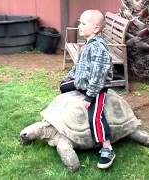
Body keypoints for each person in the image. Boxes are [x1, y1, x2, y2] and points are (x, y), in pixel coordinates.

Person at [59, 9, 115, 169]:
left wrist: (90, 97)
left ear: (96, 28)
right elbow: (79, 67)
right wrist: (69, 77)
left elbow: (98, 77)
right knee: (63, 86)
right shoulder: (88, 44)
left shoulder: (98, 48)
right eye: (79, 22)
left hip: (97, 88)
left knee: (95, 117)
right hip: (84, 82)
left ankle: (107, 148)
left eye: (83, 23)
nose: (79, 25)